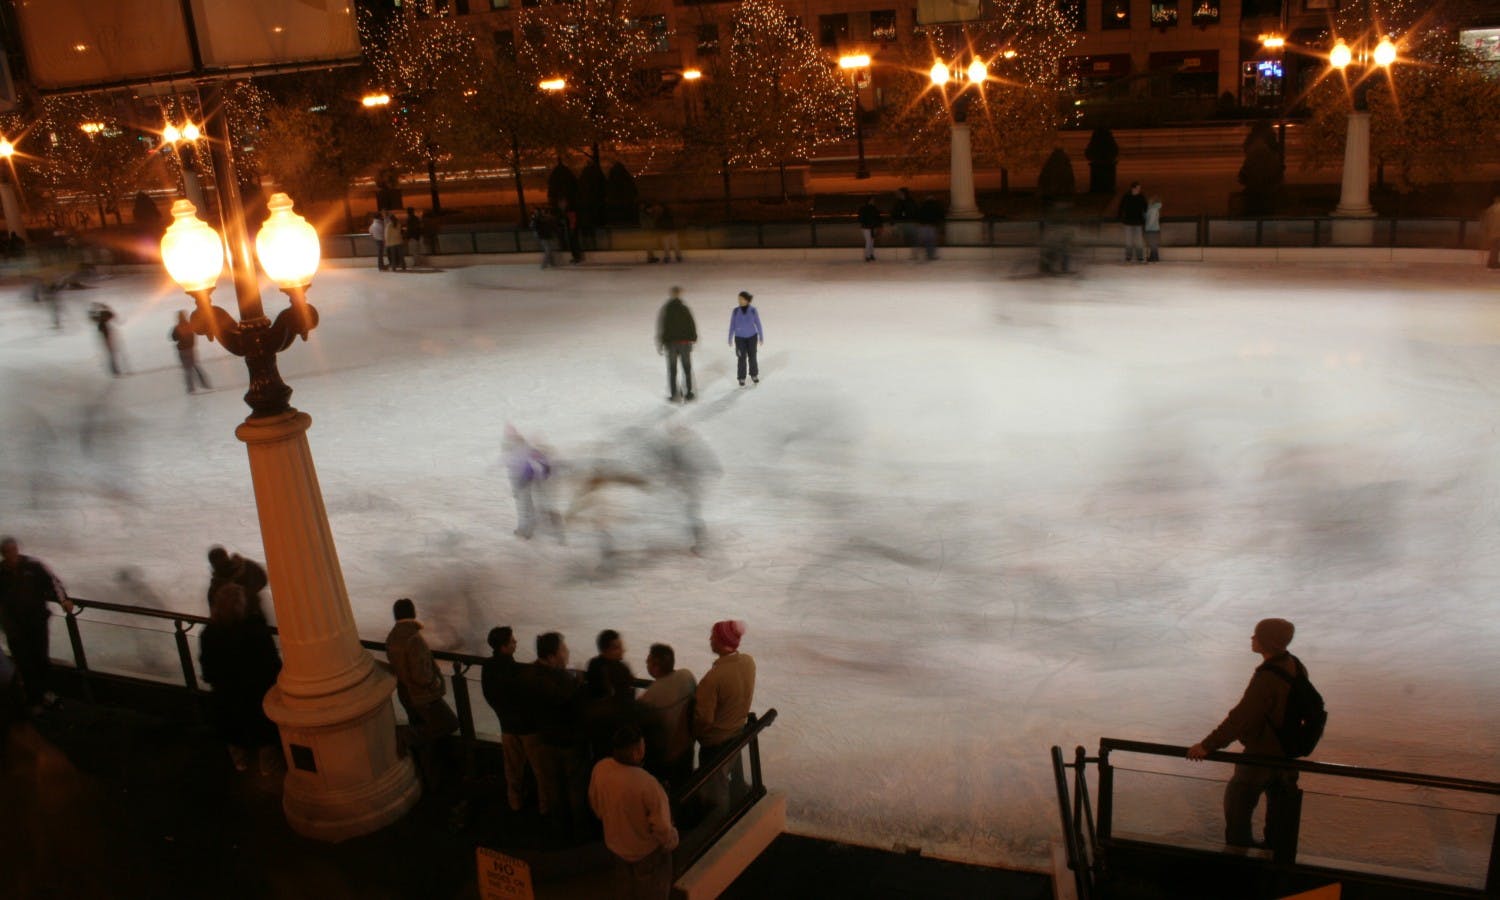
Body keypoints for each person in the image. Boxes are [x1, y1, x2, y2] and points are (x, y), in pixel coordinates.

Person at [1187, 618, 1304, 850]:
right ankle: (1275, 862)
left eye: (1256, 635)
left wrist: (1207, 745)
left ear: (1266, 641)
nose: (1252, 638)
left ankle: (1240, 863)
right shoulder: (1296, 665)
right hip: (1287, 757)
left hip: (1260, 756)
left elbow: (1242, 717)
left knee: (1238, 806)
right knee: (1280, 819)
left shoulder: (1268, 677)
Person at [199, 583, 282, 774]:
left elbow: (208, 668)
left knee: (233, 730)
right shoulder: (255, 629)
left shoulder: (209, 633)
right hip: (257, 694)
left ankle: (240, 761)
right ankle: (267, 765)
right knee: (264, 732)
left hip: (227, 696)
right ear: (242, 605)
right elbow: (271, 662)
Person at [590, 724, 679, 900]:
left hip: (616, 848)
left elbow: (596, 806)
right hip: (647, 854)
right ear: (636, 752)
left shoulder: (601, 768)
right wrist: (672, 841)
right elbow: (662, 828)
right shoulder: (648, 784)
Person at [517, 631, 588, 835]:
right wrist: (578, 683)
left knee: (553, 788)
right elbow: (572, 707)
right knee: (575, 788)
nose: (566, 654)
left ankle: (559, 828)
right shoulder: (564, 682)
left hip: (543, 741)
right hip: (567, 744)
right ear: (551, 656)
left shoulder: (527, 676)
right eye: (563, 650)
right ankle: (579, 831)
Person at [385, 598, 459, 787]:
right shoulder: (414, 638)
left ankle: (430, 779)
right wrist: (434, 683)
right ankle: (407, 735)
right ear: (413, 613)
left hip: (406, 694)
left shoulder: (392, 637)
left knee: (426, 740)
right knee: (449, 723)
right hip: (422, 696)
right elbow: (421, 674)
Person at [0, 537, 71, 713]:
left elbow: (54, 582)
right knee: (24, 662)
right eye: (7, 552)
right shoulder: (0, 573)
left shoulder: (33, 566)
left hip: (36, 623)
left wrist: (64, 600)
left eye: (13, 550)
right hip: (14, 627)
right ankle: (34, 699)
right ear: (3, 553)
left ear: (17, 549)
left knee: (41, 659)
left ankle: (45, 694)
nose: (11, 554)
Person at [481, 626, 535, 812]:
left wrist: (502, 713)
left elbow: (489, 695)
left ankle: (515, 802)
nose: (516, 642)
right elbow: (527, 697)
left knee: (512, 768)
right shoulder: (516, 670)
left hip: (506, 724)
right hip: (527, 727)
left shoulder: (487, 667)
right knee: (539, 767)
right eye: (512, 641)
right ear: (504, 646)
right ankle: (544, 806)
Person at [694, 619, 755, 774]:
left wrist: (692, 734)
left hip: (716, 746)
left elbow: (704, 720)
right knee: (731, 784)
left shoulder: (712, 679)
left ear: (721, 641)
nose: (710, 639)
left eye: (713, 636)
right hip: (737, 735)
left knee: (712, 791)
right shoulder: (749, 662)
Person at [638, 643, 696, 787]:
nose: (646, 662)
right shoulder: (686, 676)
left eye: (649, 660)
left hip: (666, 754)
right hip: (687, 746)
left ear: (656, 667)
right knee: (686, 783)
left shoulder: (649, 697)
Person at [582, 629, 640, 761]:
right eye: (617, 647)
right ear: (605, 650)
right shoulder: (617, 670)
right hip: (612, 731)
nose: (623, 650)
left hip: (599, 730)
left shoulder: (594, 665)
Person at [504, 425, 557, 540]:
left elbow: (516, 471)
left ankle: (525, 531)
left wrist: (518, 485)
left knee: (523, 507)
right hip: (528, 481)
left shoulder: (517, 453)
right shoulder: (527, 450)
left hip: (522, 482)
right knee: (528, 506)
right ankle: (528, 529)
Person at [656, 287, 698, 403]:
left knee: (673, 370)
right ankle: (688, 393)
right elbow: (691, 324)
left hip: (671, 344)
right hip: (683, 344)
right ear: (679, 294)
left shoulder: (667, 310)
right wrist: (693, 338)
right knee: (686, 369)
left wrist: (661, 342)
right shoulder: (684, 309)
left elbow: (662, 327)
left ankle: (674, 394)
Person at [206, 546, 268, 621]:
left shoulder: (215, 587)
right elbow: (262, 579)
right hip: (252, 616)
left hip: (238, 620)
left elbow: (214, 612)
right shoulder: (248, 566)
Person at [727, 291, 764, 387]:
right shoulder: (735, 311)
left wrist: (761, 335)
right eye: (738, 299)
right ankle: (741, 377)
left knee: (752, 356)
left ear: (747, 300)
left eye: (741, 299)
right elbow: (732, 325)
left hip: (752, 337)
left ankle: (754, 374)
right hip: (739, 339)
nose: (739, 300)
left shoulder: (753, 310)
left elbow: (758, 323)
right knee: (741, 358)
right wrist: (730, 337)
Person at [170, 310, 211, 394]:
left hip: (182, 350)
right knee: (195, 366)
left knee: (187, 369)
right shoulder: (190, 325)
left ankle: (191, 388)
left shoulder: (177, 327)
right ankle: (205, 384)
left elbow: (173, 338)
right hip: (190, 349)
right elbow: (193, 336)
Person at [1119, 182, 1148, 263]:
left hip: (1138, 222)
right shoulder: (1126, 196)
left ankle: (1140, 257)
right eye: (1138, 188)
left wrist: (1145, 217)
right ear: (1133, 188)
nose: (1139, 189)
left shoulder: (1141, 196)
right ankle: (1128, 256)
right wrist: (1120, 217)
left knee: (1139, 241)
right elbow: (1121, 207)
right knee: (1128, 240)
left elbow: (1145, 208)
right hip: (1128, 222)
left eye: (1139, 188)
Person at [89, 302, 122, 376]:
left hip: (106, 332)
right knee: (111, 352)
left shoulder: (101, 315)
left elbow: (111, 315)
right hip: (105, 333)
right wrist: (106, 309)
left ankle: (115, 370)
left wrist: (106, 308)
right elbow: (111, 315)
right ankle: (114, 370)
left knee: (112, 351)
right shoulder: (101, 317)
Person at [915, 194, 944, 261]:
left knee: (922, 240)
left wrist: (919, 224)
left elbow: (918, 215)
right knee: (931, 242)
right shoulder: (937, 206)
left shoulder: (922, 206)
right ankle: (930, 256)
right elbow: (941, 215)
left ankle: (917, 254)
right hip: (932, 226)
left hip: (923, 226)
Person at [892, 187, 916, 257]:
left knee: (910, 239)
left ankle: (912, 254)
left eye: (898, 193)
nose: (897, 194)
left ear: (903, 193)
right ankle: (908, 254)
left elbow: (914, 212)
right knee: (906, 239)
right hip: (903, 223)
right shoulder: (898, 203)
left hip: (909, 223)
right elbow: (894, 213)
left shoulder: (910, 202)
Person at [856, 196, 883, 262]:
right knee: (869, 241)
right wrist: (878, 225)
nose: (873, 202)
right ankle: (868, 256)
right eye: (872, 200)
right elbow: (877, 218)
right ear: (869, 201)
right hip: (867, 227)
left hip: (869, 227)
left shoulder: (867, 208)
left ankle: (870, 255)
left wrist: (878, 225)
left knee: (871, 241)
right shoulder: (871, 209)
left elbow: (877, 218)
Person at [1482, 195, 1500, 270]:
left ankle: (1491, 262)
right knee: (1495, 247)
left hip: (1492, 232)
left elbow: (1486, 220)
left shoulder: (1490, 209)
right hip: (1498, 231)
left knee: (1494, 248)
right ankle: (1493, 263)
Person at [1144, 196, 1163, 264]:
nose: (1148, 201)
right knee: (1153, 244)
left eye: (1150, 200)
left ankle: (1154, 258)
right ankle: (1153, 258)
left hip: (1151, 229)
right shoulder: (1153, 209)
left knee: (1152, 245)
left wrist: (1147, 228)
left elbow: (1151, 220)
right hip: (1154, 229)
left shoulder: (1153, 209)